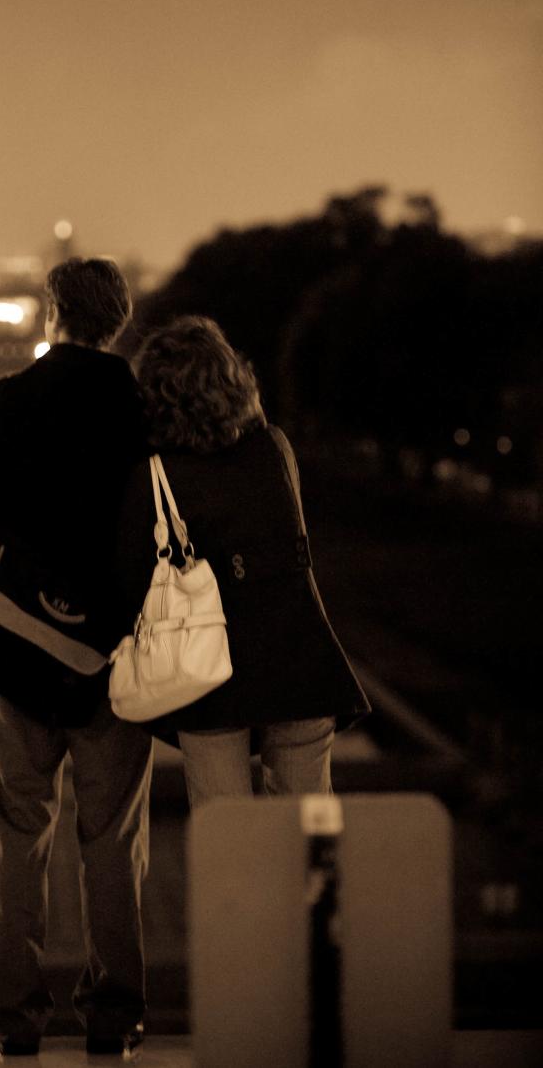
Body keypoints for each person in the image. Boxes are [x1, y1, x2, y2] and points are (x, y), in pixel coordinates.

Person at [0, 257, 154, 1060]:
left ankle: (13, 1020)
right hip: (111, 652)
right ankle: (113, 1016)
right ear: (119, 319)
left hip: (15, 648)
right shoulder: (143, 406)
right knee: (112, 836)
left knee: (18, 833)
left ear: (52, 311)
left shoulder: (2, 401)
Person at [118, 315, 370, 807]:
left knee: (227, 838)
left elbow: (131, 574)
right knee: (309, 829)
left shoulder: (155, 476)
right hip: (299, 661)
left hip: (209, 680)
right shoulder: (274, 449)